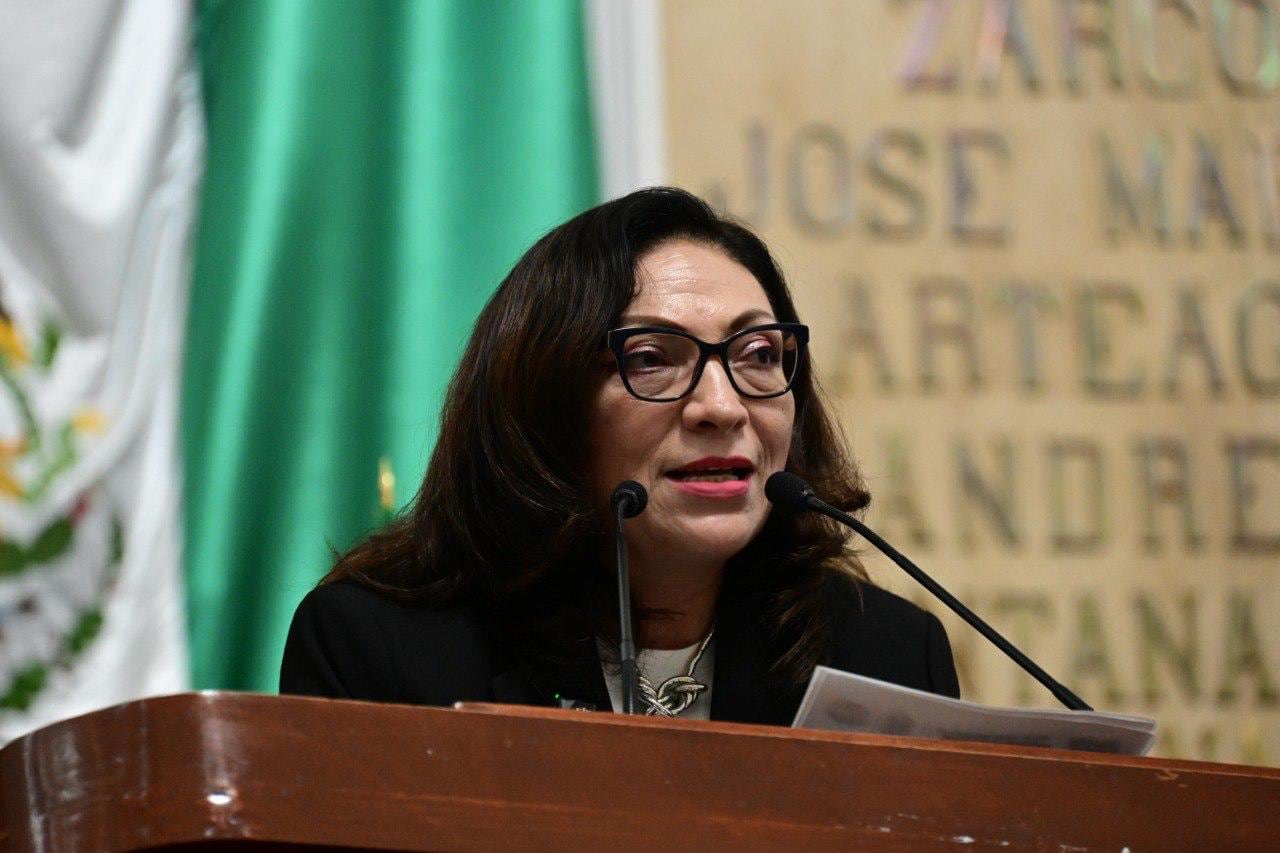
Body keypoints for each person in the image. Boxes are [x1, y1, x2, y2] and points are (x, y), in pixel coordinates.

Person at [280, 187, 959, 725]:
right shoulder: (381, 653)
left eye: (757, 355)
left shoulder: (886, 658)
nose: (721, 407)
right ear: (545, 403)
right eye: (651, 359)